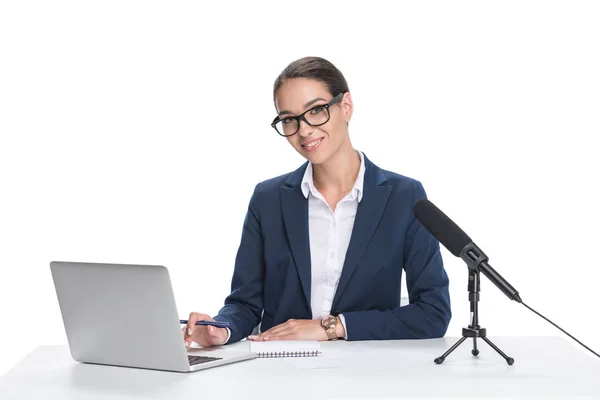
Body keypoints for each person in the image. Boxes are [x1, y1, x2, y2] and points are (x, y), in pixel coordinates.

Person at [183, 56, 451, 348]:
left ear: (345, 106)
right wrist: (221, 328)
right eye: (289, 119)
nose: (304, 129)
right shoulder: (267, 199)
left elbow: (433, 313)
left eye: (316, 110)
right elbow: (245, 303)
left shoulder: (404, 196)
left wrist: (333, 327)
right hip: (278, 369)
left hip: (368, 370)